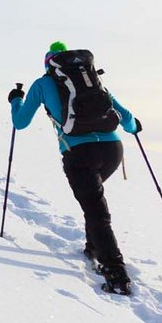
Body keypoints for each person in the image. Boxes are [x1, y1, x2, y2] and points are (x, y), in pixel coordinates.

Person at [8, 41, 141, 295]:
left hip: (79, 153)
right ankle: (94, 248)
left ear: (49, 64)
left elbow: (20, 122)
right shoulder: (92, 81)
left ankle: (115, 271)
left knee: (95, 208)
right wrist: (135, 126)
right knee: (94, 201)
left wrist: (16, 100)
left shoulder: (43, 84)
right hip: (113, 150)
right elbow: (127, 119)